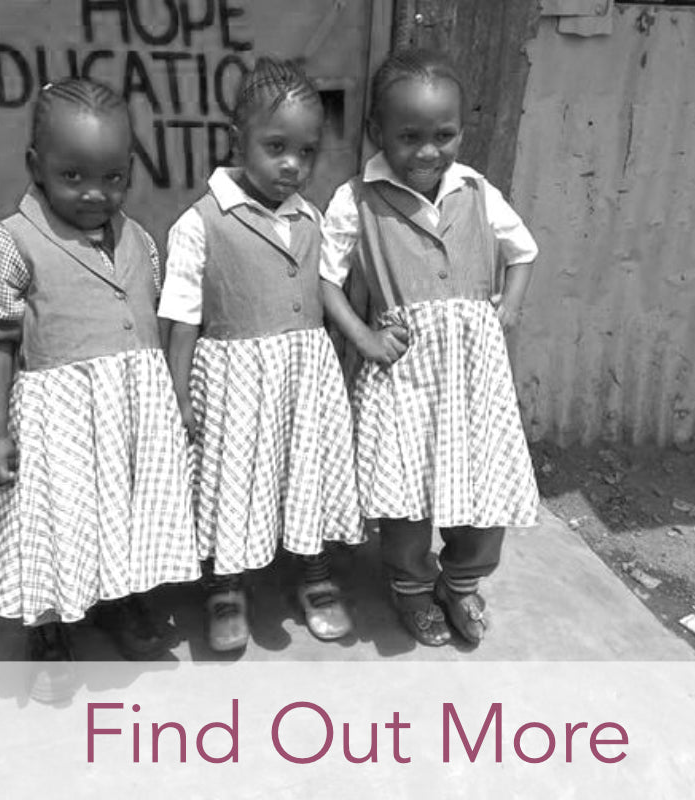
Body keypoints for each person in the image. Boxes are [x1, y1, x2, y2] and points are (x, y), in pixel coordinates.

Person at [0, 78, 200, 680]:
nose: (96, 193)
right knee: (56, 519)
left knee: (120, 511)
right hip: (58, 422)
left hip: (130, 416)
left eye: (114, 177)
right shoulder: (10, 243)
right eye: (74, 177)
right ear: (36, 167)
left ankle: (119, 598)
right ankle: (49, 619)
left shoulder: (140, 239)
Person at [320, 48, 540, 647]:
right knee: (406, 495)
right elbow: (324, 280)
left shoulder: (477, 190)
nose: (428, 151)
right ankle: (412, 588)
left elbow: (522, 252)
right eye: (409, 135)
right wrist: (363, 336)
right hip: (402, 375)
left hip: (474, 374)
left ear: (462, 131)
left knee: (482, 487)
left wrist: (509, 308)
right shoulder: (355, 200)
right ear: (376, 132)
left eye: (444, 135)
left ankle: (462, 582)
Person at [160, 57, 364, 653]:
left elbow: (331, 292)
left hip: (303, 379)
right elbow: (180, 320)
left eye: (307, 150)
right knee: (232, 482)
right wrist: (178, 399)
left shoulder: (311, 217)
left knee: (306, 472)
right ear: (237, 140)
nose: (292, 165)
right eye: (276, 146)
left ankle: (315, 573)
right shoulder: (200, 224)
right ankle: (225, 585)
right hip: (233, 383)